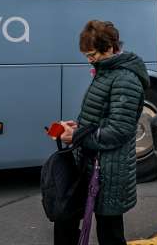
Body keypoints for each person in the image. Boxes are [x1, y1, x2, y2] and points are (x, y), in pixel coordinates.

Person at [54, 20, 149, 245]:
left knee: (110, 233)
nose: (89, 59)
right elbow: (101, 117)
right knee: (89, 226)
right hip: (94, 163)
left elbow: (119, 130)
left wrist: (76, 137)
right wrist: (78, 127)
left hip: (110, 170)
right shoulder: (106, 71)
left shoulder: (125, 78)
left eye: (92, 54)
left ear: (109, 48)